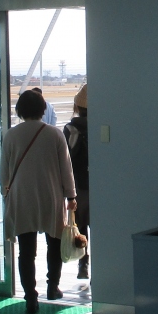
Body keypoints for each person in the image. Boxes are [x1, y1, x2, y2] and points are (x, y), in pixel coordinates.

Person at [2, 89, 77, 314]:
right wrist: (71, 196)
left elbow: (5, 173)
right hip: (50, 195)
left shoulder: (11, 135)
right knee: (54, 243)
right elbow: (66, 169)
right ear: (43, 109)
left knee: (26, 250)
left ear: (20, 110)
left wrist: (6, 194)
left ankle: (30, 297)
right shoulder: (54, 134)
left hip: (22, 196)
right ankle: (53, 287)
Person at [63, 85, 89, 280]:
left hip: (78, 185)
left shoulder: (70, 129)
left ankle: (83, 264)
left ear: (77, 107)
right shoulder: (105, 124)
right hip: (101, 186)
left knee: (80, 225)